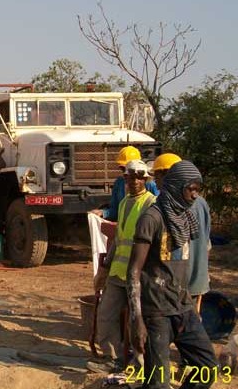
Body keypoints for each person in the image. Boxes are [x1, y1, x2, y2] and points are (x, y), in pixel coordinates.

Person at [127, 161, 218, 388]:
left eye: (198, 189)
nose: (195, 195)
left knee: (207, 367)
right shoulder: (152, 218)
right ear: (177, 186)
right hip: (156, 311)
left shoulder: (186, 217)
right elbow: (133, 270)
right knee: (158, 382)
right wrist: (136, 319)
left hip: (182, 306)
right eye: (191, 189)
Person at [91, 160, 156, 373]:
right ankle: (113, 358)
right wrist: (104, 268)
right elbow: (119, 240)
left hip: (139, 275)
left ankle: (139, 363)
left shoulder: (151, 204)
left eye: (140, 177)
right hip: (118, 273)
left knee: (137, 321)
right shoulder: (123, 203)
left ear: (145, 179)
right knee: (106, 315)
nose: (135, 181)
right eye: (131, 177)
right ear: (125, 179)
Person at [152, 153, 211, 313]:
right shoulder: (202, 203)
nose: (155, 182)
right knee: (191, 326)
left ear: (169, 176)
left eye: (157, 176)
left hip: (177, 281)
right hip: (197, 278)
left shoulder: (168, 206)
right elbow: (206, 245)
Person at [91, 146, 159, 221]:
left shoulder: (149, 184)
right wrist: (103, 213)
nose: (125, 172)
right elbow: (116, 210)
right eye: (123, 169)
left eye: (128, 168)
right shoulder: (119, 183)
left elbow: (159, 210)